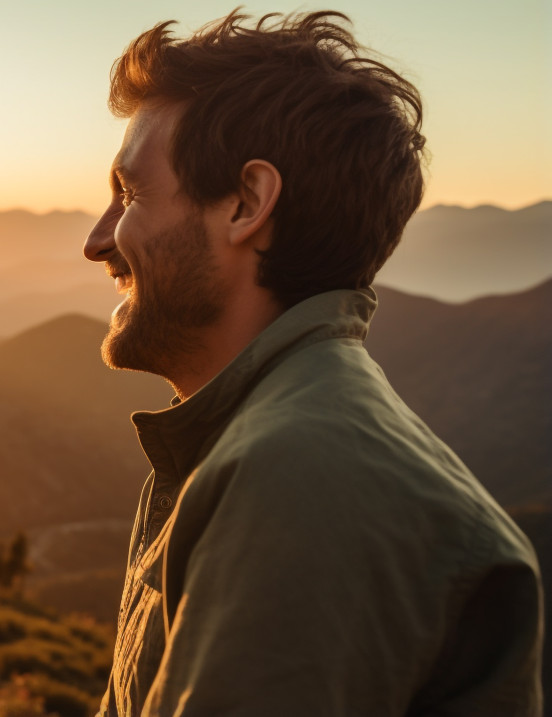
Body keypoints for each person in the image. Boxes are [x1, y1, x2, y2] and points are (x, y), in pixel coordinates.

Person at [81, 11, 542, 716]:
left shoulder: (299, 471)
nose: (97, 239)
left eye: (131, 193)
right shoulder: (246, 441)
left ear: (246, 203)